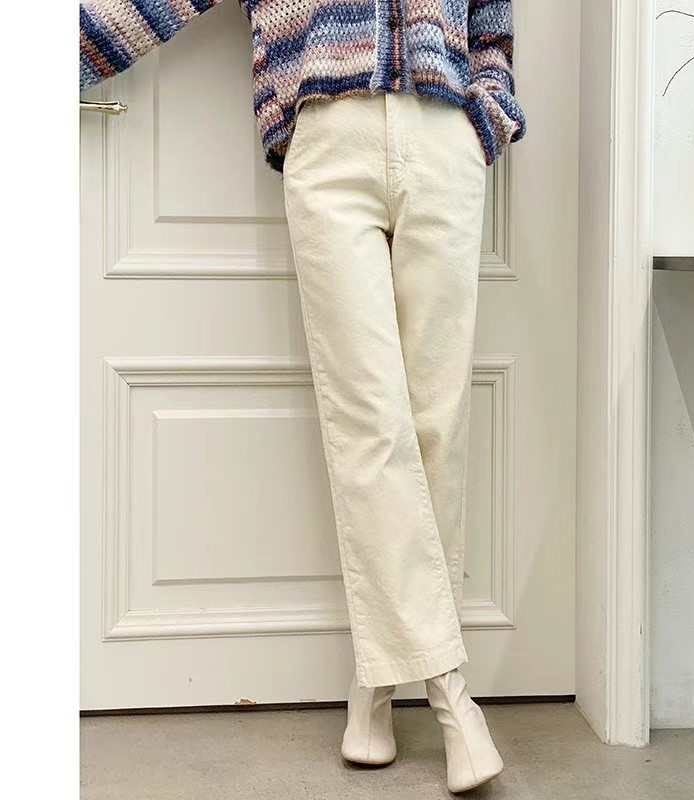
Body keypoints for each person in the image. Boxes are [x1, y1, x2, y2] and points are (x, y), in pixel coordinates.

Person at [80, 1, 527, 792]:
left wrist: (487, 115)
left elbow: (492, 20)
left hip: (444, 140)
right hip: (328, 141)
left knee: (436, 426)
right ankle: (451, 695)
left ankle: (374, 686)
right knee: (370, 424)